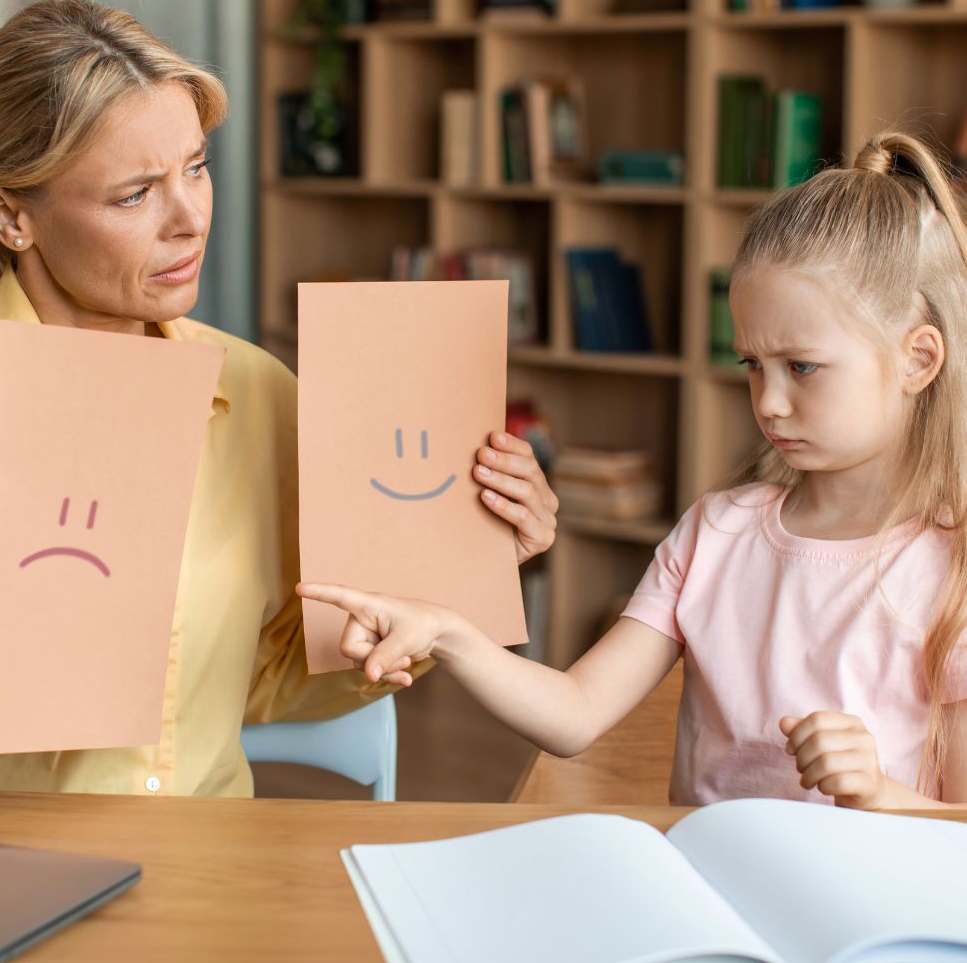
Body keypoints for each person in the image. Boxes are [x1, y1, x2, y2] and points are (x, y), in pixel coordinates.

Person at [0, 0, 558, 796]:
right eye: (134, 195)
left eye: (196, 168)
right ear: (9, 216)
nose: (189, 220)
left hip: (203, 867)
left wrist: (459, 577)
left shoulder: (257, 394)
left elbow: (265, 676)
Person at [301, 130, 967, 810]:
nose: (768, 402)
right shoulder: (716, 533)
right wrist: (447, 631)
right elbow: (575, 713)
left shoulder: (952, 569)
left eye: (802, 367)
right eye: (751, 366)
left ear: (919, 359)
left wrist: (883, 794)